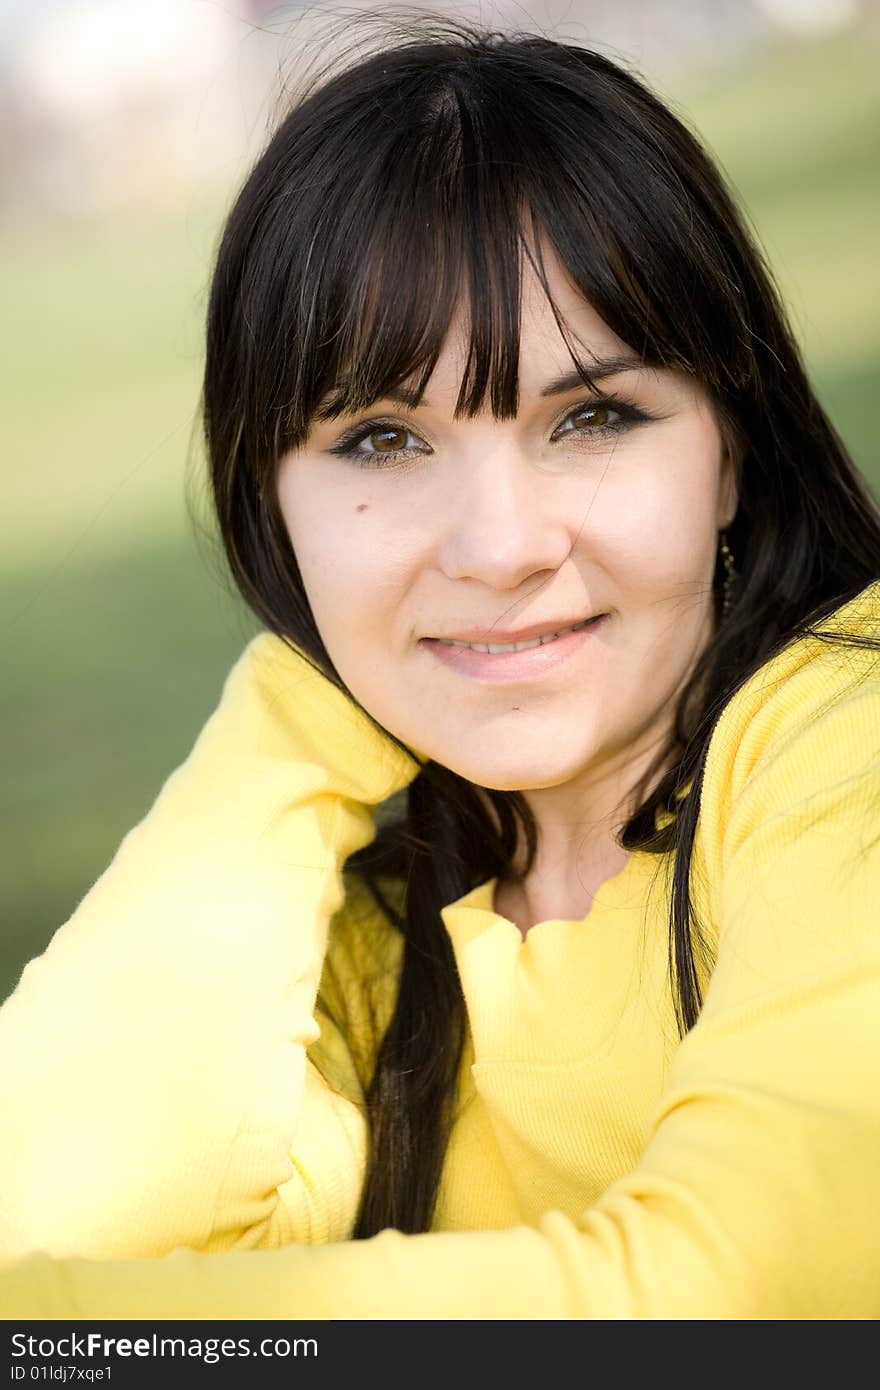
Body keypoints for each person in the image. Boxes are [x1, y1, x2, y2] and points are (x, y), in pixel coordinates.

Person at [2, 11, 880, 1320]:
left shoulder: (847, 746)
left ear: (731, 451)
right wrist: (298, 703)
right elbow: (42, 1207)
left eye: (591, 417)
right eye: (381, 442)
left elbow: (733, 1292)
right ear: (272, 501)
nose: (502, 545)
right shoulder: (350, 923)